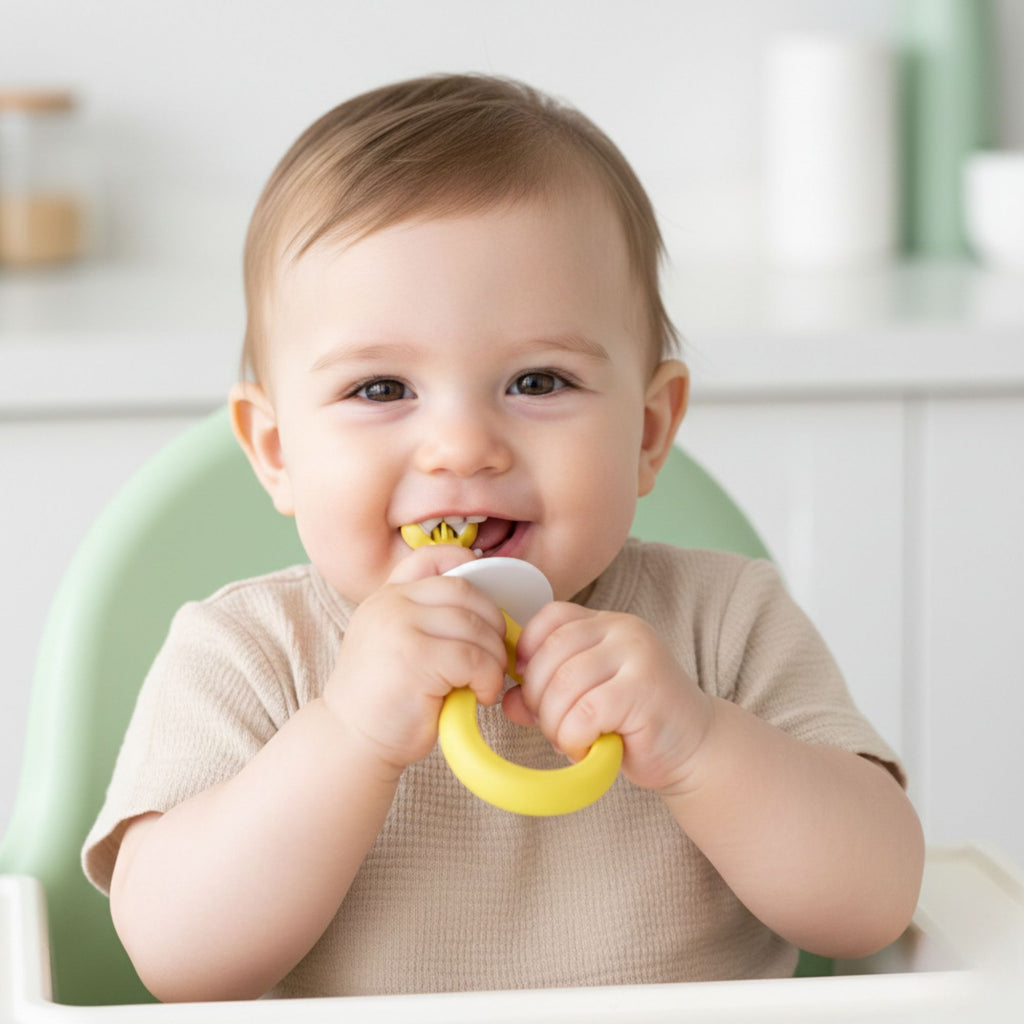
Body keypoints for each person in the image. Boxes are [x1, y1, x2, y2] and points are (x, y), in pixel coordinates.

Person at [82, 74, 923, 1002]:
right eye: (380, 389)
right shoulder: (247, 654)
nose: (462, 447)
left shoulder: (725, 624)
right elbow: (176, 959)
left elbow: (873, 905)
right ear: (278, 452)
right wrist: (349, 733)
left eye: (537, 382)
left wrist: (698, 744)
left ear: (648, 432)